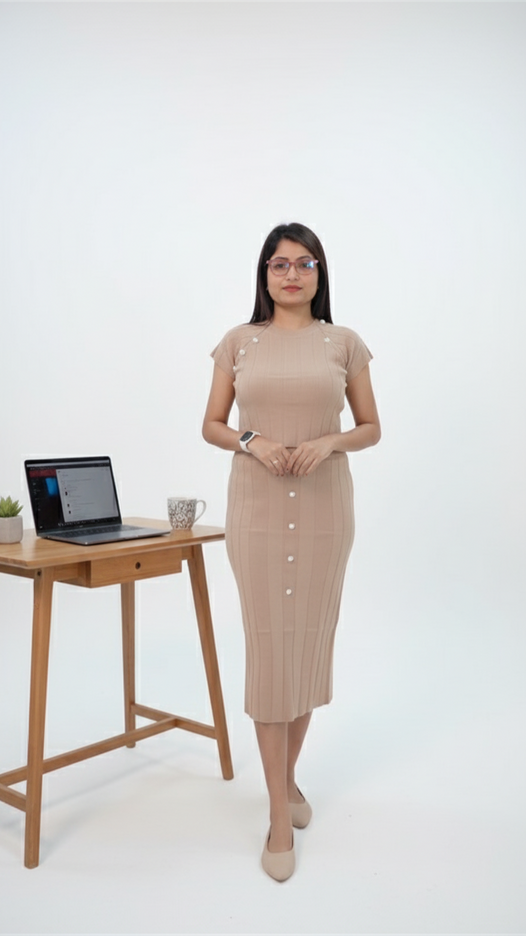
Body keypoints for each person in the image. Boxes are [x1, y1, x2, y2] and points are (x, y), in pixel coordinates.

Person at [202, 222, 381, 881]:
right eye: (279, 264)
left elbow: (370, 427)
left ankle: (285, 781)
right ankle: (280, 813)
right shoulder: (236, 342)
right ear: (264, 275)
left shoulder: (344, 343)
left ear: (318, 274)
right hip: (253, 510)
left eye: (304, 263)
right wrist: (251, 438)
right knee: (269, 653)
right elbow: (211, 423)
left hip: (324, 513)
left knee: (305, 648)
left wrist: (326, 443)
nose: (291, 274)